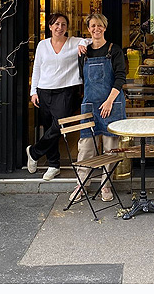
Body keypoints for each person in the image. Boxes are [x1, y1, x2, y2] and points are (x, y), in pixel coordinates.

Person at [27, 13, 90, 181]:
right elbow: (37, 68)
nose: (59, 27)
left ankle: (34, 151)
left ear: (67, 27)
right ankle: (53, 165)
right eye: (56, 24)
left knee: (59, 125)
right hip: (44, 90)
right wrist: (33, 91)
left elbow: (90, 40)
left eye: (63, 24)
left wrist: (83, 43)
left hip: (66, 91)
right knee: (49, 128)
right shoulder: (42, 45)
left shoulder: (73, 42)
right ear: (50, 26)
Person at [71, 13, 127, 202]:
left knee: (110, 147)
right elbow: (82, 78)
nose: (96, 29)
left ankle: (106, 186)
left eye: (100, 25)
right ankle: (82, 184)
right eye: (93, 26)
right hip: (90, 104)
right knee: (86, 146)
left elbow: (120, 78)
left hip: (112, 103)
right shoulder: (83, 52)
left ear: (105, 27)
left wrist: (109, 100)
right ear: (88, 29)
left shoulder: (115, 50)